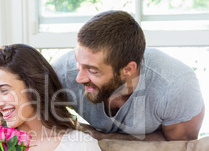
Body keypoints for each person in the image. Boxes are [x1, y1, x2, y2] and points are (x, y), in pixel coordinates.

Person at [52, 10, 205, 141]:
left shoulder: (175, 86)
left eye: (92, 70)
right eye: (78, 63)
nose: (79, 78)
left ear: (128, 69)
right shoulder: (63, 72)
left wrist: (104, 139)